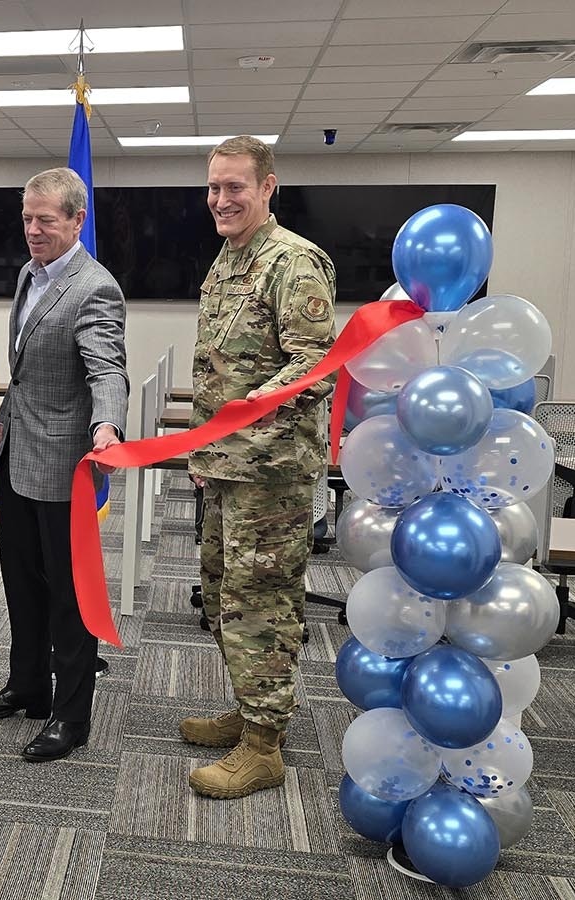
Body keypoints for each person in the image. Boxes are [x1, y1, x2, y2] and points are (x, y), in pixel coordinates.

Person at [182, 136, 336, 798]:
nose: (221, 199)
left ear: (267, 187)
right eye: (214, 187)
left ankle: (264, 746)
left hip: (271, 474)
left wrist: (255, 407)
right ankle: (252, 711)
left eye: (235, 187)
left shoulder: (292, 262)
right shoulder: (228, 260)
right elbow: (218, 366)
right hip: (229, 469)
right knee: (222, 594)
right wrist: (204, 449)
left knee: (260, 602)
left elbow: (317, 362)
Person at [0, 167, 127, 763]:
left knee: (70, 595)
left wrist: (106, 426)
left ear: (76, 221)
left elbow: (107, 368)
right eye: (27, 218)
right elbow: (30, 369)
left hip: (63, 466)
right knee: (22, 582)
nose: (31, 230)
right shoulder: (32, 273)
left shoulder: (94, 287)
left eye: (45, 220)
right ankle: (29, 685)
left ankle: (71, 715)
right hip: (17, 457)